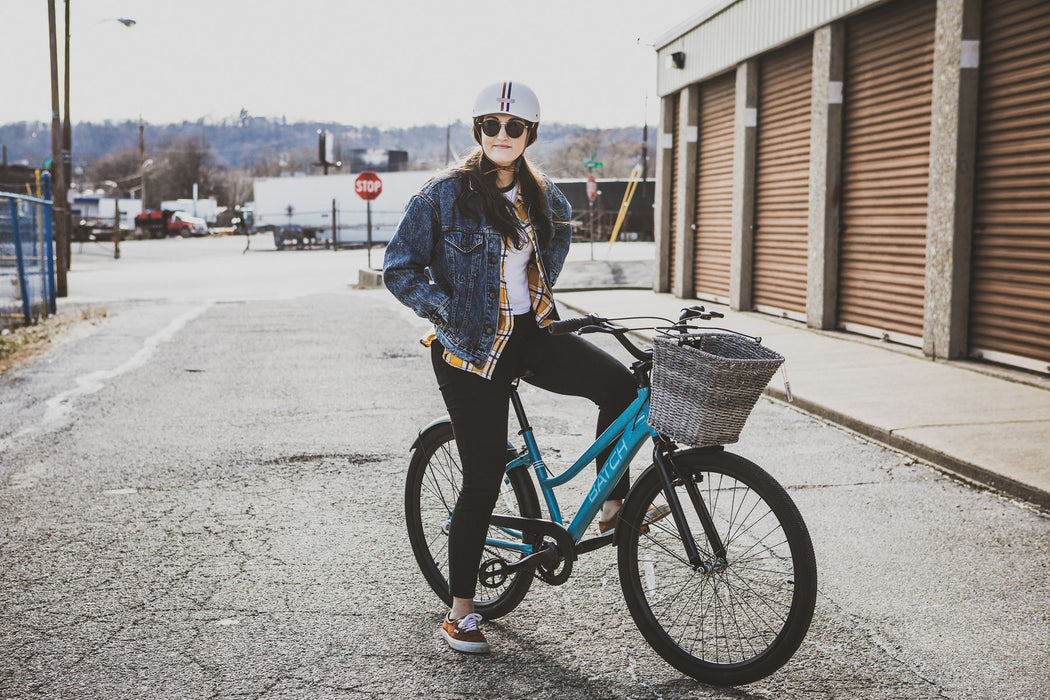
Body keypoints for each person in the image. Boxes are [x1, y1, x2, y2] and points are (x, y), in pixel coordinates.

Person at [383, 81, 636, 655]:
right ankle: (460, 613)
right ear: (478, 132)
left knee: (622, 385)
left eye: (513, 127)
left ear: (530, 135)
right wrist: (451, 314)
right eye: (490, 126)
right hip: (468, 350)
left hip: (527, 337)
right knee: (484, 473)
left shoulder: (549, 200)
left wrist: (538, 306)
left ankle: (613, 504)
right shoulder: (441, 196)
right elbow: (399, 268)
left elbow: (549, 258)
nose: (501, 135)